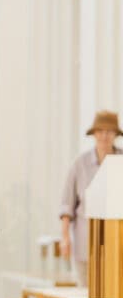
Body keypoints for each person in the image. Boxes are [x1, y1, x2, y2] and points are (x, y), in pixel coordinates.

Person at [59, 109, 123, 282]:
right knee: (86, 292)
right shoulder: (80, 164)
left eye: (109, 131)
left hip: (118, 245)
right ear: (94, 133)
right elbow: (67, 205)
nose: (104, 135)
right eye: (100, 131)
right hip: (86, 244)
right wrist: (65, 238)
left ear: (115, 134)